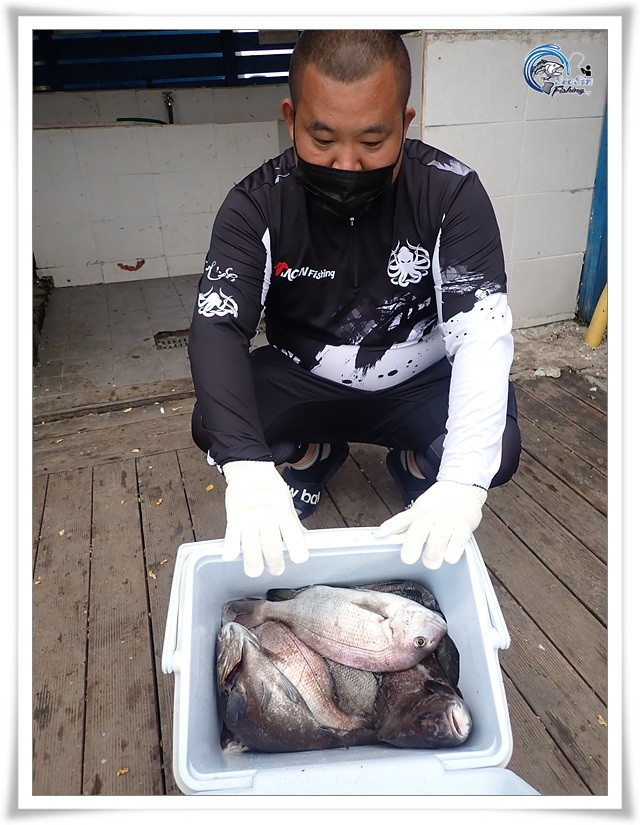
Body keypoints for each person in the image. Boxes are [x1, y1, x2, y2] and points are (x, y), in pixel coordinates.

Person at [188, 30, 521, 578]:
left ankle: (418, 466)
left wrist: (462, 483)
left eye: (372, 141)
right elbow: (218, 328)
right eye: (322, 139)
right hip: (304, 381)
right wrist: (246, 468)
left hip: (418, 383)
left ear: (405, 123)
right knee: (215, 423)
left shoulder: (451, 194)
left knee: (495, 450)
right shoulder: (255, 204)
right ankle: (311, 455)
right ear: (291, 118)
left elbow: (482, 334)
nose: (346, 164)